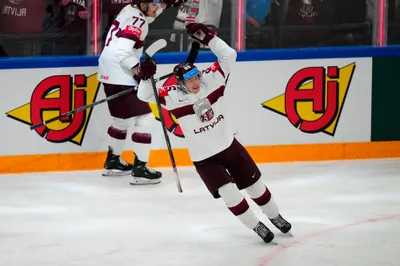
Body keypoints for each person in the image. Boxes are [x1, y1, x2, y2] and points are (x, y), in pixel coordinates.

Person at [137, 23, 292, 243]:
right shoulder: (171, 96)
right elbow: (144, 96)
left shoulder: (212, 80)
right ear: (179, 83)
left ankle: (275, 217)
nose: (196, 83)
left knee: (256, 187)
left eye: (196, 77)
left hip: (230, 146)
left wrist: (209, 39)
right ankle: (256, 226)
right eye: (190, 80)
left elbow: (229, 55)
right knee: (230, 195)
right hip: (205, 159)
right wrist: (145, 78)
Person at [97, 0, 187, 185]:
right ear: (143, 5)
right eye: (155, 6)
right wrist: (139, 70)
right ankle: (141, 168)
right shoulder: (138, 20)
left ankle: (113, 161)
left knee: (121, 119)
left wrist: (166, 6)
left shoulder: (130, 10)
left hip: (108, 71)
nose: (157, 10)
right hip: (122, 73)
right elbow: (123, 52)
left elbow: (148, 17)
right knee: (145, 118)